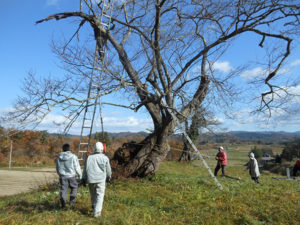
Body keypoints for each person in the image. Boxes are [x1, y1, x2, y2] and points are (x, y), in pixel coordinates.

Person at [82, 142, 112, 218]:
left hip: (91, 179)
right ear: (102, 149)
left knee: (93, 195)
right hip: (101, 179)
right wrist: (109, 177)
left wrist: (83, 179)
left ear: (94, 149)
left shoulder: (89, 158)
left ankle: (94, 207)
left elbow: (85, 169)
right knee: (100, 195)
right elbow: (108, 170)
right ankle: (97, 213)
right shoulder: (105, 158)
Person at [56, 143, 82, 208]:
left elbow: (57, 167)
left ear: (63, 149)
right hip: (71, 176)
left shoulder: (59, 157)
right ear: (69, 149)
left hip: (63, 176)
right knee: (74, 187)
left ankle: (63, 202)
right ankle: (72, 200)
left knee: (63, 189)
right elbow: (77, 167)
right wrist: (80, 175)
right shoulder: (73, 156)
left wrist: (59, 174)